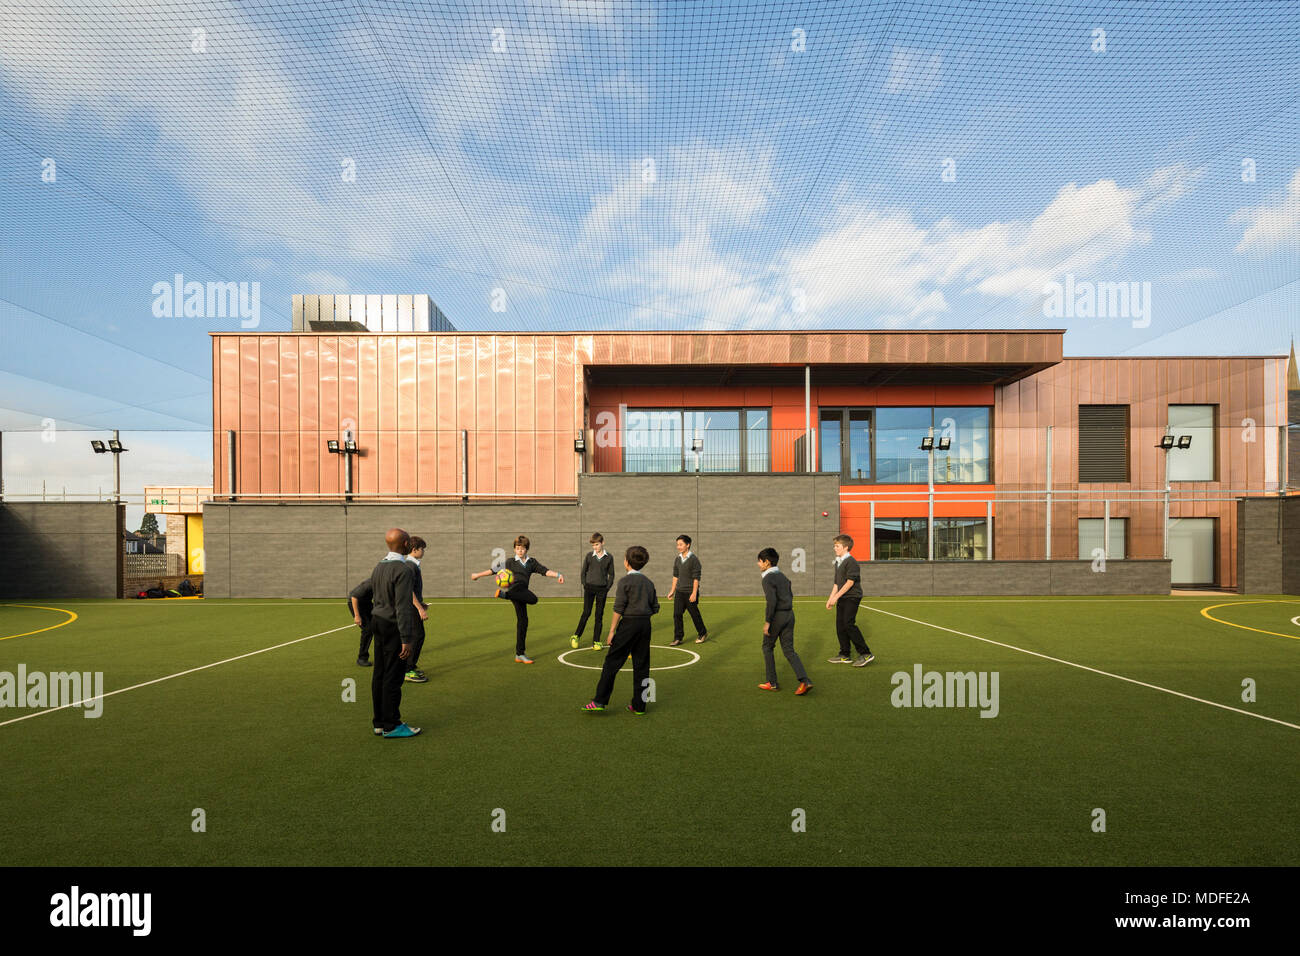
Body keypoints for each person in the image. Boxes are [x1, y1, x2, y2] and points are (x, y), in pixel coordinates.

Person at [582, 545, 659, 715]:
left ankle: (599, 701)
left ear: (626, 562)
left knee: (612, 662)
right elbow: (655, 607)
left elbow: (619, 608)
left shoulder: (624, 582)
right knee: (642, 665)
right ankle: (639, 706)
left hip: (628, 625)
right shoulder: (649, 583)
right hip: (645, 625)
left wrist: (611, 632)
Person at [470, 535, 564, 663]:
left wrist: (557, 575)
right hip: (514, 590)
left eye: (523, 548)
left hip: (521, 593)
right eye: (518, 548)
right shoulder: (510, 562)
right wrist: (477, 575)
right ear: (514, 549)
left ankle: (519, 654)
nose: (520, 550)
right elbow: (493, 570)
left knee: (523, 622)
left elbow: (544, 571)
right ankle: (505, 595)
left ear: (527, 549)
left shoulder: (531, 562)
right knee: (534, 599)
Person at [369, 527, 421, 738]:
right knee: (393, 676)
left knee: (379, 674)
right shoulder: (403, 569)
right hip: (393, 627)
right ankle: (392, 725)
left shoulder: (378, 566)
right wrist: (407, 639)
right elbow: (402, 606)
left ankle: (379, 722)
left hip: (378, 623)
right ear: (406, 544)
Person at [756, 547, 811, 694]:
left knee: (767, 647)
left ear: (767, 562)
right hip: (789, 615)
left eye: (760, 561)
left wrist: (768, 622)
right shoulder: (784, 577)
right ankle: (805, 681)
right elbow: (790, 596)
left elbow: (771, 601)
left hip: (777, 617)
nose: (758, 564)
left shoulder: (768, 578)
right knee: (789, 650)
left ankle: (772, 682)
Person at [827, 534, 874, 667]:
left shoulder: (851, 562)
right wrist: (831, 598)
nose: (834, 548)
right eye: (834, 546)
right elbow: (837, 583)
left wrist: (836, 597)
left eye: (837, 546)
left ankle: (866, 653)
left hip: (852, 597)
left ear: (846, 547)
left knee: (848, 624)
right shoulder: (838, 561)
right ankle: (844, 654)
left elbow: (850, 583)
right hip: (842, 597)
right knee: (840, 626)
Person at [570, 532, 615, 650]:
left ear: (602, 543)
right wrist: (585, 584)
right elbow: (583, 572)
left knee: (599, 615)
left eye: (597, 544)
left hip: (602, 590)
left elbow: (612, 574)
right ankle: (576, 636)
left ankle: (596, 641)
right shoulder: (589, 556)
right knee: (586, 613)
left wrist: (607, 588)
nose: (595, 547)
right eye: (593, 545)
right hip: (589, 588)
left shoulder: (609, 557)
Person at [667, 534, 707, 646]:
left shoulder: (694, 560)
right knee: (677, 614)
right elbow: (675, 576)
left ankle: (702, 633)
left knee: (694, 614)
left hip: (690, 592)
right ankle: (678, 638)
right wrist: (672, 590)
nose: (678, 547)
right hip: (679, 592)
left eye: (681, 544)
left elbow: (696, 578)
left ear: (688, 545)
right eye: (677, 545)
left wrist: (694, 593)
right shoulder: (677, 559)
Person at [404, 536, 430, 683]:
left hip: (413, 605)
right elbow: (408, 590)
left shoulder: (413, 565)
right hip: (410, 608)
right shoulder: (410, 566)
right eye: (422, 549)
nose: (423, 552)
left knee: (417, 636)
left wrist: (421, 603)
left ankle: (410, 666)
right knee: (417, 636)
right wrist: (420, 608)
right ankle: (408, 670)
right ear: (414, 550)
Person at [347, 578, 375, 667]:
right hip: (355, 602)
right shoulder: (369, 583)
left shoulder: (384, 582)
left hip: (367, 602)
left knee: (379, 625)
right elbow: (354, 597)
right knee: (368, 630)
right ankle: (362, 658)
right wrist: (357, 616)